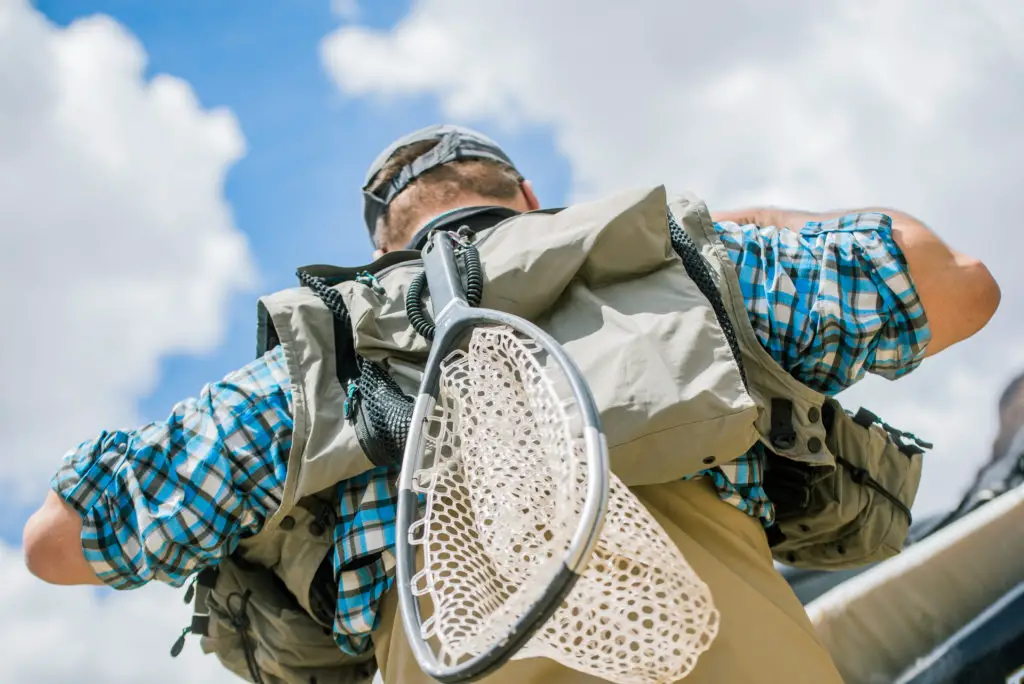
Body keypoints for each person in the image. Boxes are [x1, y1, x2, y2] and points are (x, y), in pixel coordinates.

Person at [22, 124, 1001, 684]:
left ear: (380, 252)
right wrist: (744, 222)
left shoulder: (308, 373)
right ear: (530, 199)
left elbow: (56, 543)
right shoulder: (680, 270)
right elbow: (955, 285)